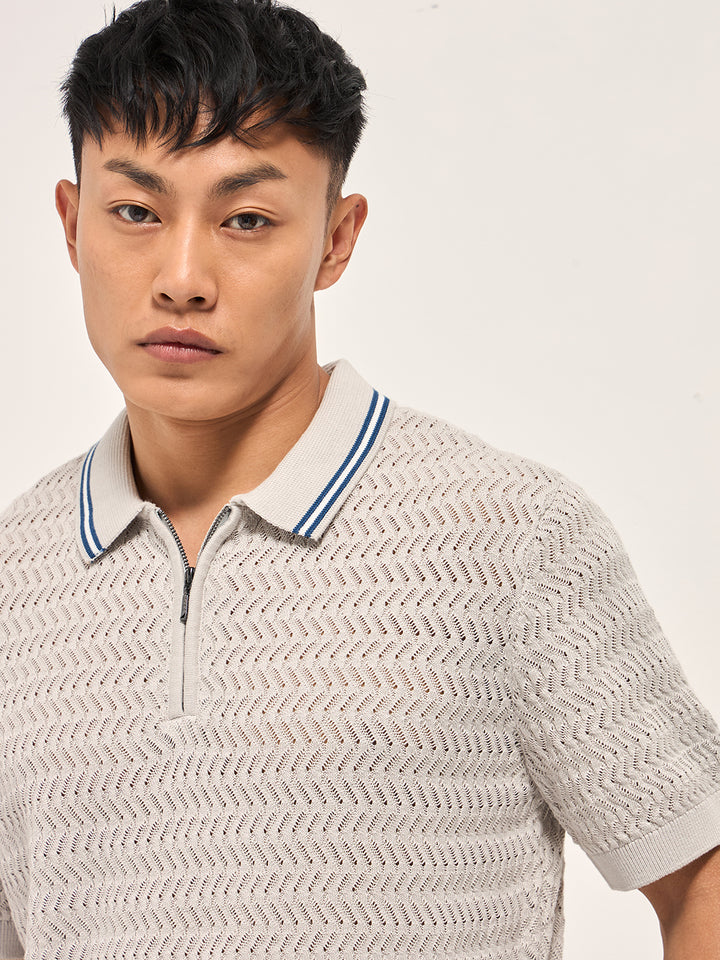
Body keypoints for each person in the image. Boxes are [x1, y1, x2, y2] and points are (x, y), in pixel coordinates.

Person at [0, 0, 719, 957]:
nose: (182, 277)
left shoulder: (512, 541)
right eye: (135, 211)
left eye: (246, 219)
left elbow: (703, 877)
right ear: (69, 222)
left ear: (335, 241)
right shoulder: (14, 577)